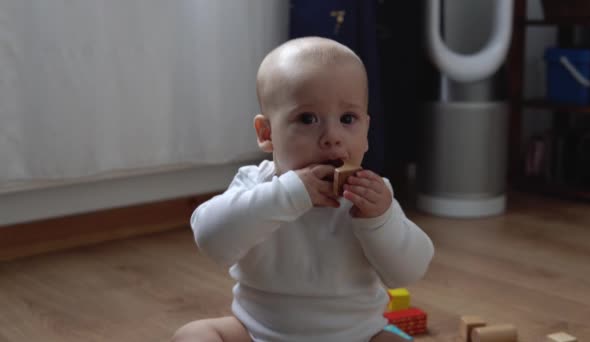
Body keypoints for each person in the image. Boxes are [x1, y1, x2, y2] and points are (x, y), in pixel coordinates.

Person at [172, 37, 434, 342]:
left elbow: (410, 271)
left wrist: (380, 221)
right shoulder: (257, 184)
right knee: (193, 335)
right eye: (307, 119)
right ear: (267, 133)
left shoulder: (373, 198)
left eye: (348, 119)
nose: (332, 137)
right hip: (258, 333)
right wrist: (287, 195)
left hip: (357, 336)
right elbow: (211, 238)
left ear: (366, 132)